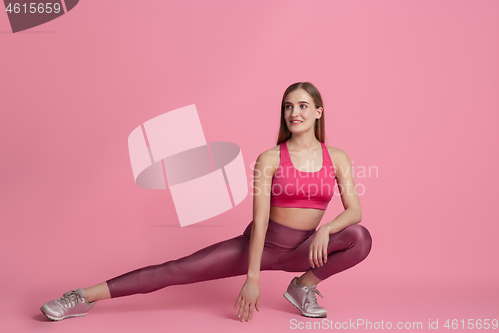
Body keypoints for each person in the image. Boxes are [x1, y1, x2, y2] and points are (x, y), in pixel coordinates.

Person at [40, 81, 372, 322]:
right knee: (175, 270)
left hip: (306, 249)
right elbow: (259, 223)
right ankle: (82, 297)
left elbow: (354, 211)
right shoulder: (269, 158)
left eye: (302, 106)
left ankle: (302, 288)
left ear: (318, 112)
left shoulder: (337, 157)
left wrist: (328, 228)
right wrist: (252, 278)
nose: (293, 112)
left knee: (360, 237)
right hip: (262, 245)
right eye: (288, 106)